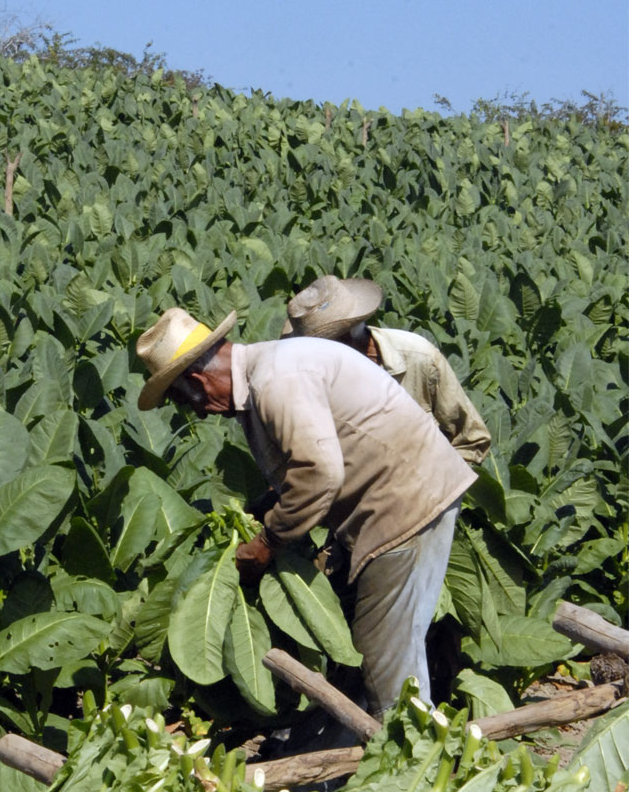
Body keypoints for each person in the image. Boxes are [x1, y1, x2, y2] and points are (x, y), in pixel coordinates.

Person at [136, 306, 476, 715]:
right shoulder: (270, 370)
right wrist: (268, 505)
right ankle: (404, 746)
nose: (190, 410)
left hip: (404, 506)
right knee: (394, 645)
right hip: (411, 496)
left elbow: (319, 474)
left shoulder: (275, 380)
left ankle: (413, 761)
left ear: (196, 382)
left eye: (179, 398)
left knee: (386, 658)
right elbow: (307, 461)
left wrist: (268, 542)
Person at [281, 275, 490, 465]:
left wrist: (440, 489)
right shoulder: (303, 377)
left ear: (349, 337)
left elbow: (472, 440)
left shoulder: (418, 357)